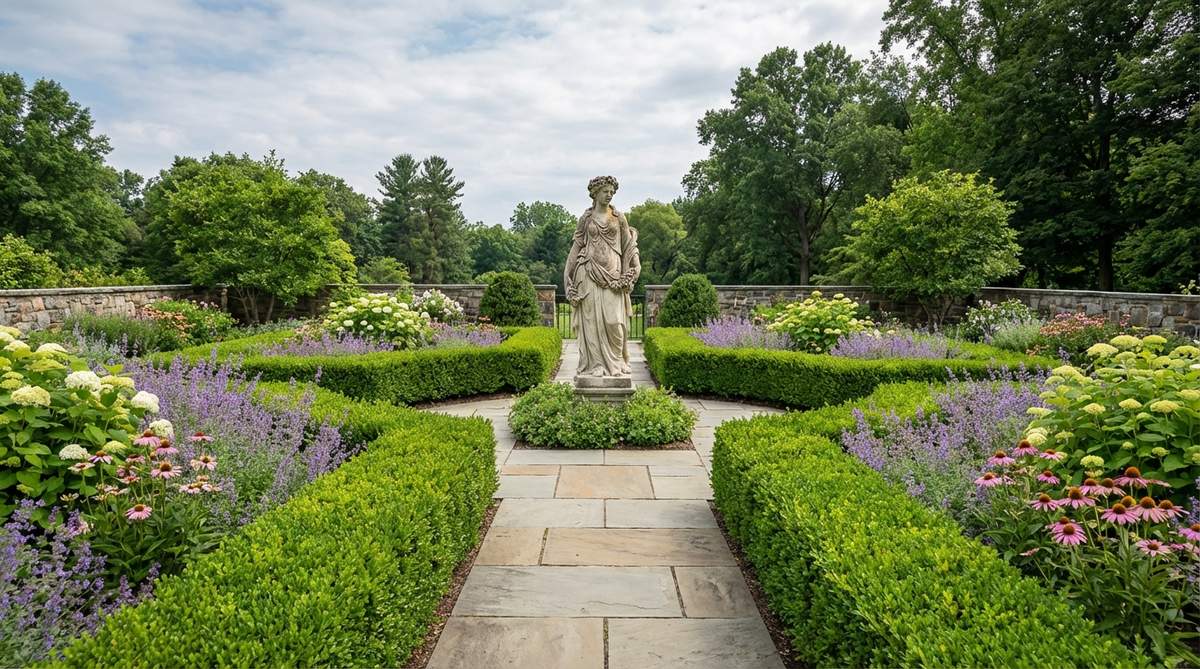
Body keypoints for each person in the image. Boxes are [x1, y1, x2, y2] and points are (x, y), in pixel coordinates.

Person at [563, 175, 641, 377]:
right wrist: (567, 276)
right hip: (588, 272)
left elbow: (628, 246)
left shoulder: (619, 217)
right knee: (591, 323)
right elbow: (576, 248)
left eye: (612, 192)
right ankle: (595, 364)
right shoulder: (586, 219)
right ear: (595, 193)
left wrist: (635, 266)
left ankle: (617, 361)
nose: (609, 195)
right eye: (605, 191)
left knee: (615, 323)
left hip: (614, 276)